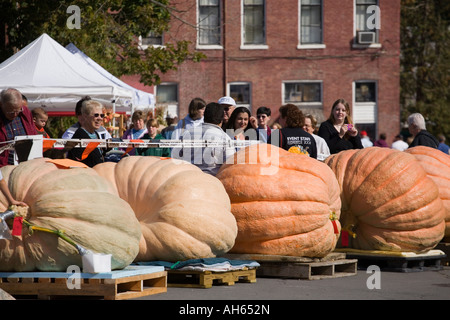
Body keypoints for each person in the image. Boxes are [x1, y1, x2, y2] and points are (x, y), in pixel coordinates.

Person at [172, 102, 235, 176]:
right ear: (221, 121)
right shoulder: (225, 138)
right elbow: (230, 165)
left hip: (188, 178)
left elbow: (175, 157)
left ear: (204, 117)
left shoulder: (187, 133)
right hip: (213, 181)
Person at [0, 89, 37, 166]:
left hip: (27, 163)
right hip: (3, 167)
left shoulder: (25, 112)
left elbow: (33, 134)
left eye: (18, 111)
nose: (15, 114)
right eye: (11, 112)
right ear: (1, 104)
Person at [67, 100, 105, 167]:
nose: (100, 118)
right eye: (96, 115)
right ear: (85, 116)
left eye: (102, 115)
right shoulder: (80, 135)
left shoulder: (96, 134)